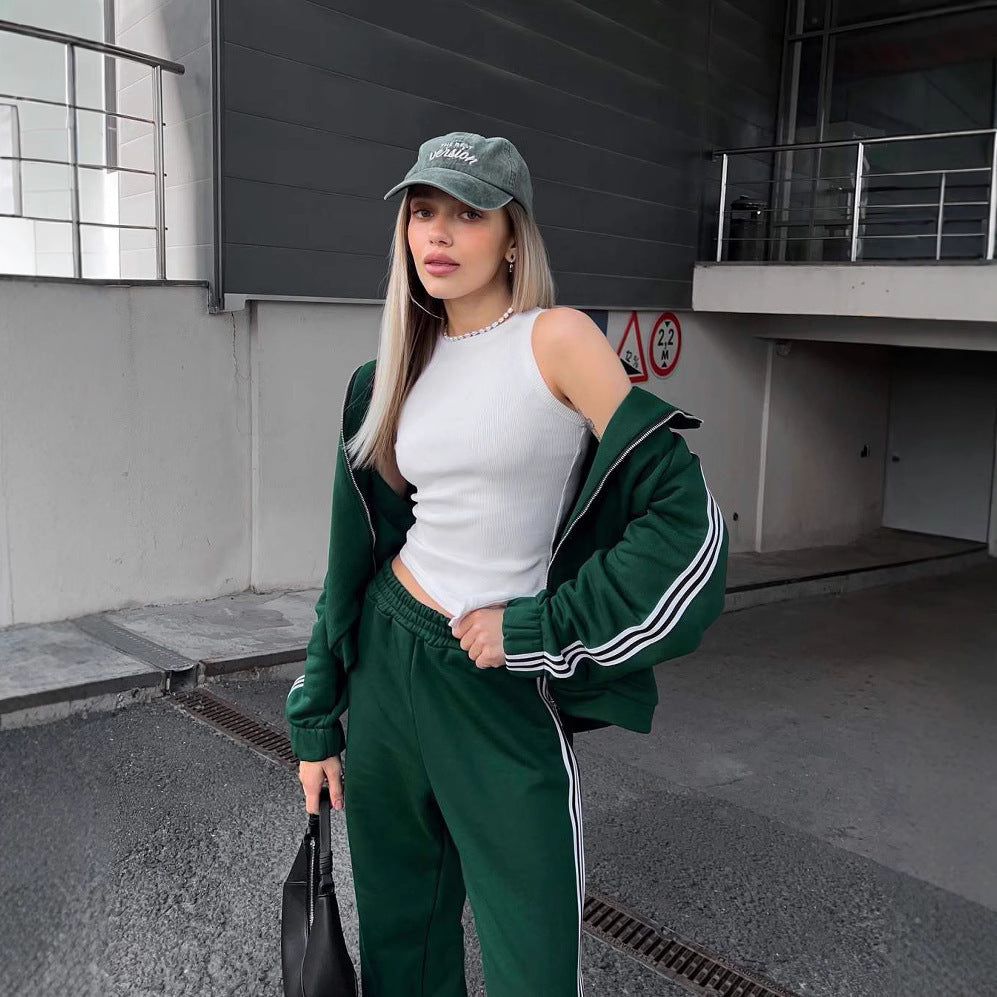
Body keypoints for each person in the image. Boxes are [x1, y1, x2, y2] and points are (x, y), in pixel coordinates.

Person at [285, 130, 729, 997]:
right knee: (400, 944)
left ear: (512, 235)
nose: (438, 233)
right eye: (423, 211)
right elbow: (348, 561)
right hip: (385, 665)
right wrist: (316, 717)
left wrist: (537, 628)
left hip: (495, 680)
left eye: (467, 214)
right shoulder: (387, 373)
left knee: (533, 961)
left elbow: (686, 521)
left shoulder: (557, 340)